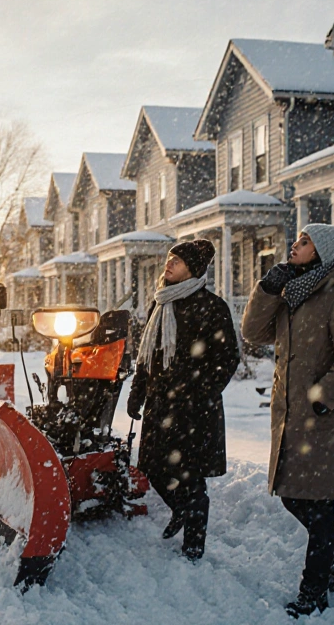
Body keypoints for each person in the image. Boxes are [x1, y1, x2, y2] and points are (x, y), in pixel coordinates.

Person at [241, 223, 334, 618]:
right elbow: (253, 332)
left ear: (324, 250)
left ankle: (313, 592)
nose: (294, 246)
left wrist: (321, 400)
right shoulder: (293, 292)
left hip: (324, 420)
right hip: (291, 418)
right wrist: (267, 289)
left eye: (304, 241)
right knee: (292, 496)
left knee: (318, 508)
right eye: (296, 240)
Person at [127, 239, 240, 561]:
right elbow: (145, 357)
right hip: (160, 403)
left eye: (176, 260)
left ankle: (194, 543)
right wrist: (138, 391)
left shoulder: (211, 305)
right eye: (169, 258)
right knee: (152, 467)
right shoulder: (160, 304)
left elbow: (227, 357)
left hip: (193, 408)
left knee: (190, 475)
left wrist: (200, 390)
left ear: (193, 269)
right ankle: (180, 510)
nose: (169, 263)